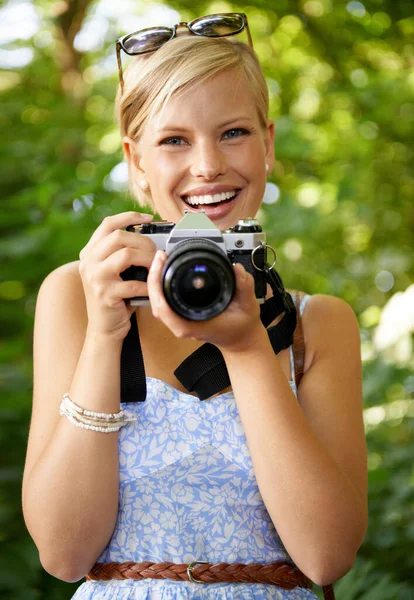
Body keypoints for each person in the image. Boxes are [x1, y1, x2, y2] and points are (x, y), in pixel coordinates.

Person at [22, 12, 367, 600]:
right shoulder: (80, 296)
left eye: (233, 132)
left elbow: (327, 556)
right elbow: (63, 552)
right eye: (174, 140)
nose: (207, 165)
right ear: (136, 161)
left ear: (268, 144)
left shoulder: (316, 324)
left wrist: (250, 346)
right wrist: (107, 337)